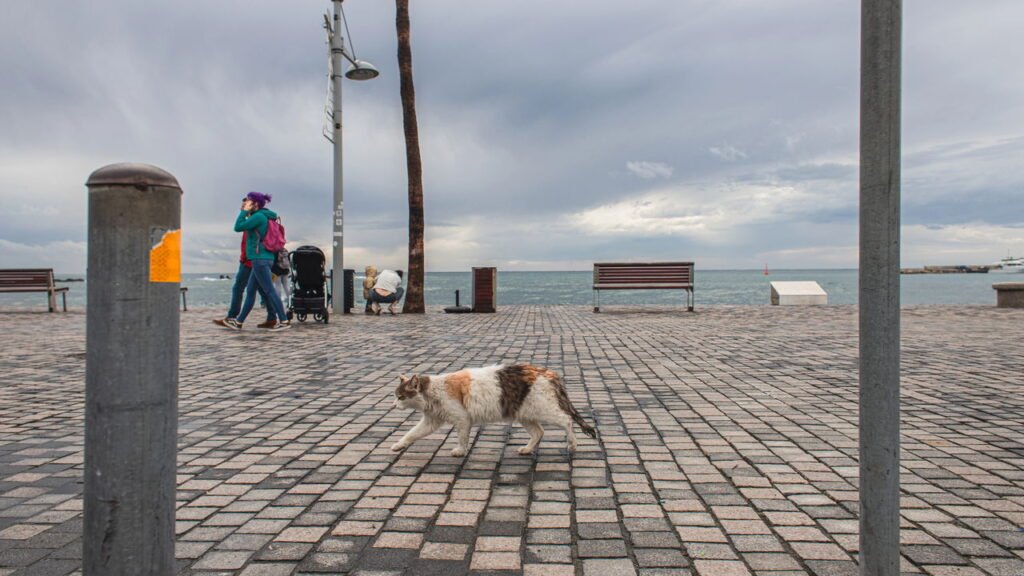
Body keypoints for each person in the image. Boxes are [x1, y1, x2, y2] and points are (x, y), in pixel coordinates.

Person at [218, 192, 290, 331]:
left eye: (249, 201)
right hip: (263, 259)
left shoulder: (258, 217)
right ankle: (238, 322)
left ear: (255, 204)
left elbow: (238, 227)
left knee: (269, 291)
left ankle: (284, 320)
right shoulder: (264, 216)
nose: (247, 204)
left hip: (259, 259)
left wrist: (244, 212)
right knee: (251, 291)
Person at [213, 211, 276, 329]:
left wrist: (244, 258)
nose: (243, 208)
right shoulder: (264, 219)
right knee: (264, 290)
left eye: (245, 205)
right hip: (258, 260)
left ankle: (233, 317)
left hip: (250, 261)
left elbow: (244, 236)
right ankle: (272, 317)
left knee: (239, 288)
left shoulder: (254, 221)